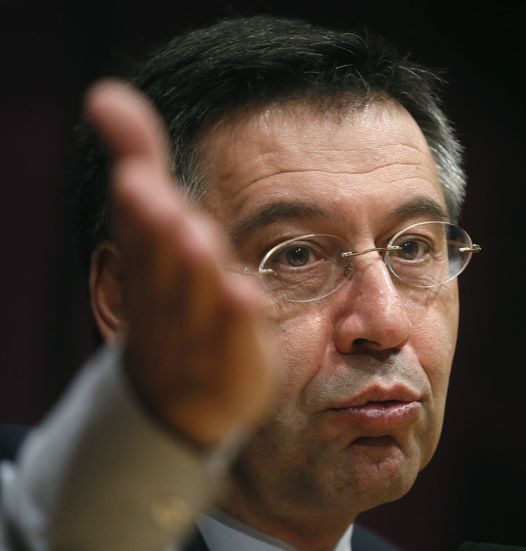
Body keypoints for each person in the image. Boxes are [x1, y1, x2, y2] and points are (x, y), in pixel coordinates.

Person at [0, 15, 486, 551]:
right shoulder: (37, 515)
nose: (385, 323)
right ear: (125, 298)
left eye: (413, 248)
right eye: (297, 255)